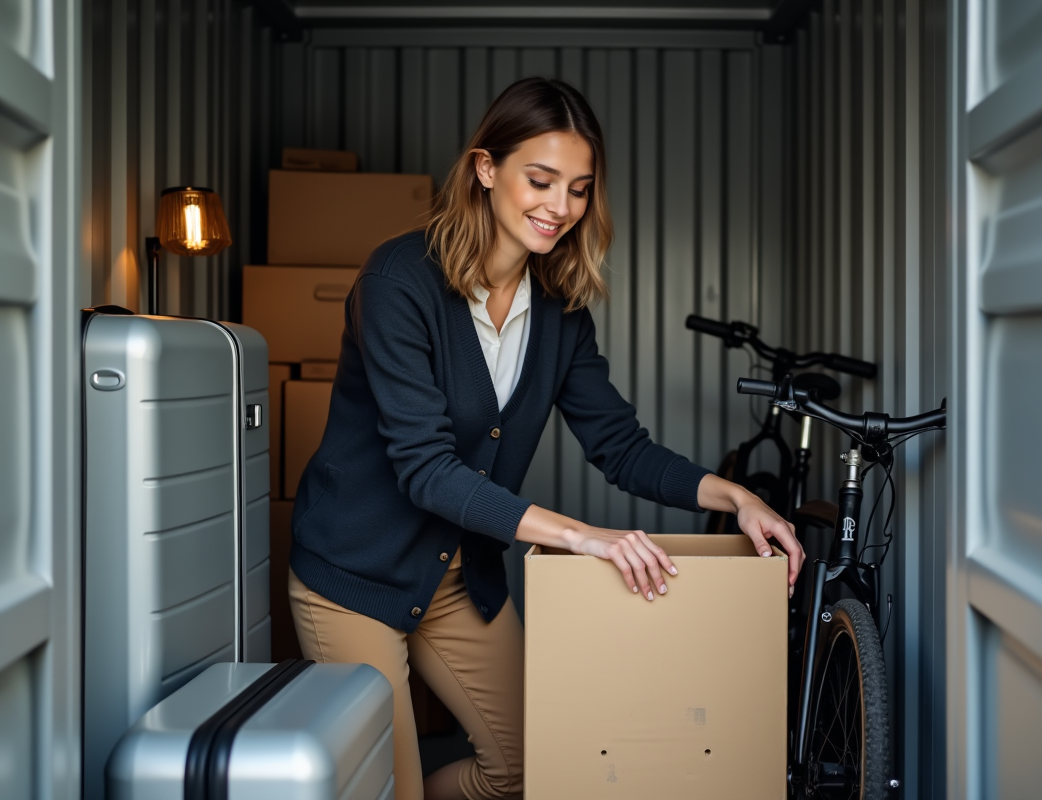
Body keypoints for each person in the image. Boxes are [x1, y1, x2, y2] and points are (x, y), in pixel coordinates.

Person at [287, 76, 805, 800]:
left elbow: (620, 447)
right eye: (541, 180)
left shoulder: (559, 313)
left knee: (532, 768)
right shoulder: (397, 283)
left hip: (455, 578)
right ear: (486, 169)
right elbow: (427, 471)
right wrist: (582, 538)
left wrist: (736, 496)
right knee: (384, 787)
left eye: (580, 188)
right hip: (354, 576)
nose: (560, 207)